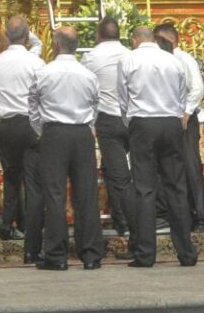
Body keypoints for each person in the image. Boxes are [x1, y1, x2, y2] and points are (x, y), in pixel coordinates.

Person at [117, 26, 198, 269]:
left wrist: (129, 121)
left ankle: (145, 253)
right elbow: (182, 94)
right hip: (171, 123)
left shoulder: (129, 59)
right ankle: (186, 252)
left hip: (143, 122)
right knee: (176, 186)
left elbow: (123, 97)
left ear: (135, 40)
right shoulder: (172, 60)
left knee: (144, 188)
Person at [28, 26, 104, 271]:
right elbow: (95, 105)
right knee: (87, 194)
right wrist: (86, 125)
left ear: (56, 45)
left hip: (54, 133)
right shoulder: (88, 74)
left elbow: (32, 104)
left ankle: (57, 256)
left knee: (55, 194)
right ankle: (91, 254)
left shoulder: (44, 72)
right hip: (81, 133)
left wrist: (42, 130)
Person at [0, 15, 45, 263]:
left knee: (10, 177)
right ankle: (32, 235)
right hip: (30, 124)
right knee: (33, 182)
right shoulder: (34, 62)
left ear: (6, 36)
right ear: (26, 37)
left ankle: (8, 224)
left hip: (6, 125)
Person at [81, 17, 136, 249]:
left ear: (98, 35)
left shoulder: (91, 57)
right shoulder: (130, 55)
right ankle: (130, 218)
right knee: (130, 172)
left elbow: (83, 84)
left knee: (118, 174)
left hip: (108, 119)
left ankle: (127, 222)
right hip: (133, 117)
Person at [153, 23, 204, 231]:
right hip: (168, 118)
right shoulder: (161, 61)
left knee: (190, 165)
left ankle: (201, 217)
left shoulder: (184, 59)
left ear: (170, 40)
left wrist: (186, 112)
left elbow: (197, 88)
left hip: (185, 118)